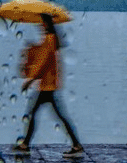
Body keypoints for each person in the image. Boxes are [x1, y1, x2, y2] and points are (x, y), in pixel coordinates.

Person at [14, 13, 84, 158]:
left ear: (46, 24)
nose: (40, 26)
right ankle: (26, 144)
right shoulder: (50, 39)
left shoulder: (50, 39)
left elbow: (43, 62)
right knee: (45, 114)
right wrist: (32, 47)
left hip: (48, 86)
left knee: (41, 113)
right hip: (48, 85)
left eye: (42, 23)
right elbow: (42, 54)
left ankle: (27, 144)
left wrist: (30, 79)